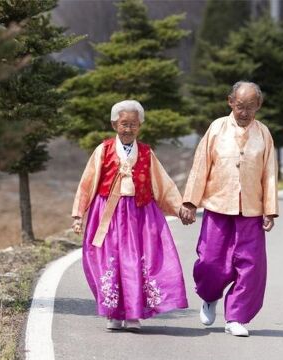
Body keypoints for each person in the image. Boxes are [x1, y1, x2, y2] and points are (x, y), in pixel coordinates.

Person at [72, 100, 188, 331]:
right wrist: (78, 214)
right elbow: (87, 183)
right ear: (115, 124)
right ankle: (113, 314)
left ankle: (133, 314)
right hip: (108, 213)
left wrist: (180, 208)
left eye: (133, 124)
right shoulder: (103, 150)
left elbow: (162, 183)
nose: (128, 129)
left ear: (140, 126)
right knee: (110, 261)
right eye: (124, 124)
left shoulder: (146, 152)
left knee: (135, 261)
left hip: (139, 214)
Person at [180, 81, 278, 337]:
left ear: (258, 105)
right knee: (211, 261)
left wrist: (270, 209)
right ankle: (210, 296)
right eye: (240, 106)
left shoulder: (264, 134)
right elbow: (201, 165)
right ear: (230, 102)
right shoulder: (216, 128)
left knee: (251, 266)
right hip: (218, 205)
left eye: (250, 107)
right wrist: (190, 201)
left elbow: (269, 174)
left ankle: (236, 317)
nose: (244, 112)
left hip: (252, 210)